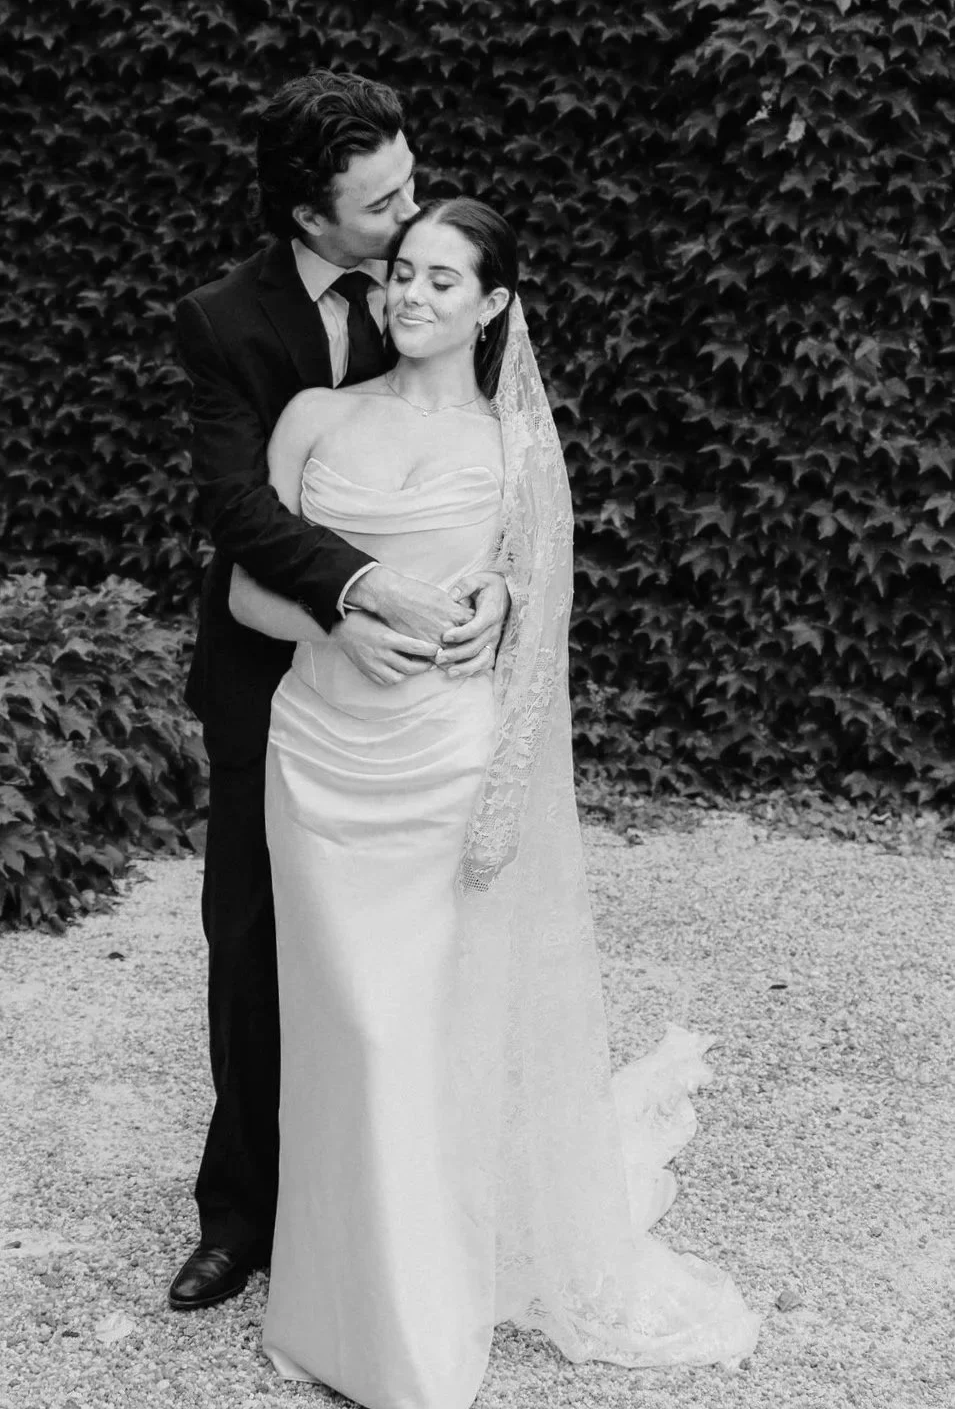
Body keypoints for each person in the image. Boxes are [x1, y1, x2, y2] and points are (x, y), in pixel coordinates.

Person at [227, 197, 761, 1409]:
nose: (411, 297)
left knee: (411, 1027)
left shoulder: (515, 455)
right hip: (318, 751)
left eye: (442, 281)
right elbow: (247, 601)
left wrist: (506, 611)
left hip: (444, 763)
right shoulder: (313, 417)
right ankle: (336, 1302)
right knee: (341, 1029)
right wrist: (344, 627)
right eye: (401, 274)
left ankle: (417, 1316)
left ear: (494, 306)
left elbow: (535, 614)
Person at [169, 73, 510, 1310]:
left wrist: (501, 595)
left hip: (424, 710)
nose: (412, 214)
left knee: (414, 955)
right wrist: (357, 596)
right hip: (277, 673)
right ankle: (244, 1213)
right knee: (253, 938)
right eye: (385, 203)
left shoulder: (434, 279)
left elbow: (503, 480)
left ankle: (404, 1193)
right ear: (315, 221)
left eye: (413, 183)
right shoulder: (223, 322)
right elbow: (239, 513)